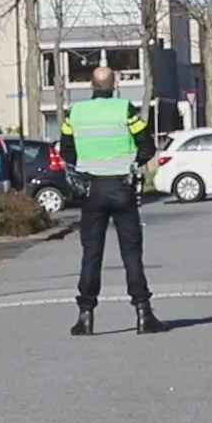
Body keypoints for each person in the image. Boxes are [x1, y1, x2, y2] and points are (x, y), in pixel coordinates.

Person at [59, 65, 165, 336]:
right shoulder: (124, 110)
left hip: (91, 190)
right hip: (122, 188)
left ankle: (85, 317)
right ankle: (144, 314)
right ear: (114, 83)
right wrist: (132, 163)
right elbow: (147, 146)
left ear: (91, 86)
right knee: (131, 253)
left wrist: (84, 167)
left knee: (91, 254)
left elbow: (66, 151)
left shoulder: (75, 113)